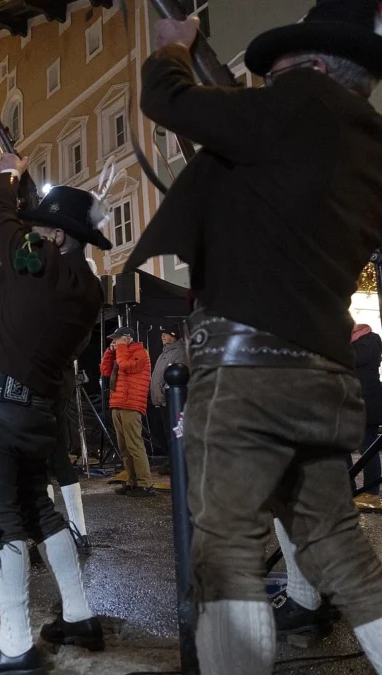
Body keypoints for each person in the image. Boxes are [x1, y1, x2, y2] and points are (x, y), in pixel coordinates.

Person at [123, 4, 382, 673]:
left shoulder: (301, 105)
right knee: (339, 547)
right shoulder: (364, 143)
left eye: (281, 72)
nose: (269, 83)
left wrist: (174, 48)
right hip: (321, 371)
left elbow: (167, 100)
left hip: (248, 374)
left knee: (226, 549)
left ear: (317, 68)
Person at [0, 159, 108, 672]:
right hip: (35, 411)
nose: (32, 232)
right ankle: (78, 615)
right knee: (40, 511)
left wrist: (6, 174)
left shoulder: (40, 261)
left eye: (41, 228)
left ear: (57, 236)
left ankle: (14, 642)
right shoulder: (89, 286)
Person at [100, 327, 153, 496]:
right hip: (118, 402)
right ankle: (132, 482)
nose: (114, 342)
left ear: (128, 338)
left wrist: (121, 348)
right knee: (123, 447)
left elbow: (126, 366)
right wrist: (110, 352)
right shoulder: (121, 353)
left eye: (117, 339)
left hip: (131, 404)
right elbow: (105, 370)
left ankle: (145, 484)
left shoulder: (141, 353)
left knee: (134, 445)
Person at [352, 324, 382, 510]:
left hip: (366, 405)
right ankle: (348, 490)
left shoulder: (370, 341)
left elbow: (354, 358)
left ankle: (372, 494)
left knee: (368, 448)